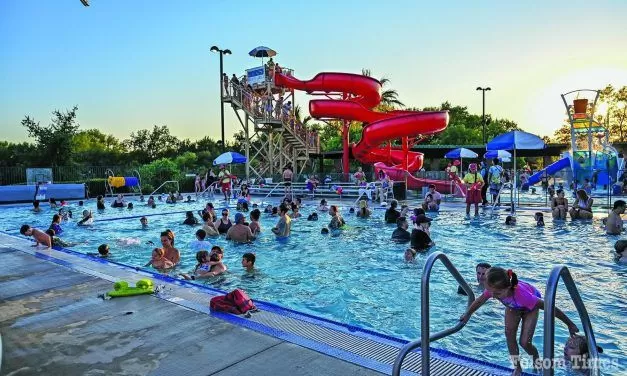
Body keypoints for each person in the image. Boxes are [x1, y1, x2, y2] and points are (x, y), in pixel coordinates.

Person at [461, 268, 579, 375]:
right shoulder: (492, 290)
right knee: (509, 333)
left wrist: (569, 324)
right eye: (489, 291)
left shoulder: (524, 296)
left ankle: (536, 361)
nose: (492, 296)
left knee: (524, 342)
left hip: (530, 308)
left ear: (507, 288)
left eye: (497, 294)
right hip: (513, 306)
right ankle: (517, 367)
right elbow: (479, 301)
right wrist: (467, 314)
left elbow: (550, 307)